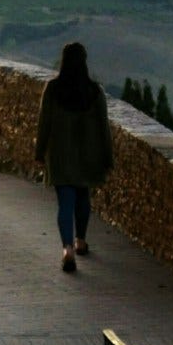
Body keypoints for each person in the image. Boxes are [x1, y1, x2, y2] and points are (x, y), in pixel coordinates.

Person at [35, 42, 114, 272]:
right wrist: (108, 158)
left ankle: (67, 248)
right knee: (83, 196)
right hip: (88, 154)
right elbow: (103, 127)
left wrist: (40, 152)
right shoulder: (94, 91)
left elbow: (44, 123)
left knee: (65, 201)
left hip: (60, 154)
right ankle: (81, 239)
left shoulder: (53, 89)